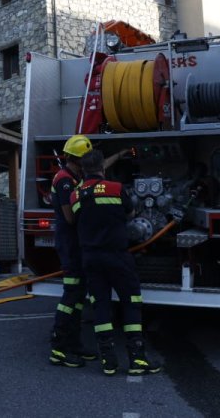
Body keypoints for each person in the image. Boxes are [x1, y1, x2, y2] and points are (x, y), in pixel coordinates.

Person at [71, 149, 162, 376]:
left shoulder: (76, 194)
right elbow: (131, 214)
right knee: (131, 303)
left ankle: (108, 361)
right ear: (103, 167)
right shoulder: (116, 188)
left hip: (91, 258)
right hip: (117, 256)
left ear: (83, 170)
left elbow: (74, 219)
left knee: (100, 305)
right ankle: (137, 359)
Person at [46, 134, 97, 368]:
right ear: (78, 160)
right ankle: (59, 347)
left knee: (78, 297)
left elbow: (99, 169)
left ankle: (74, 344)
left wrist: (120, 155)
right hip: (69, 245)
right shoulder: (65, 180)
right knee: (71, 295)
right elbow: (69, 217)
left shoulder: (75, 176)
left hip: (76, 244)